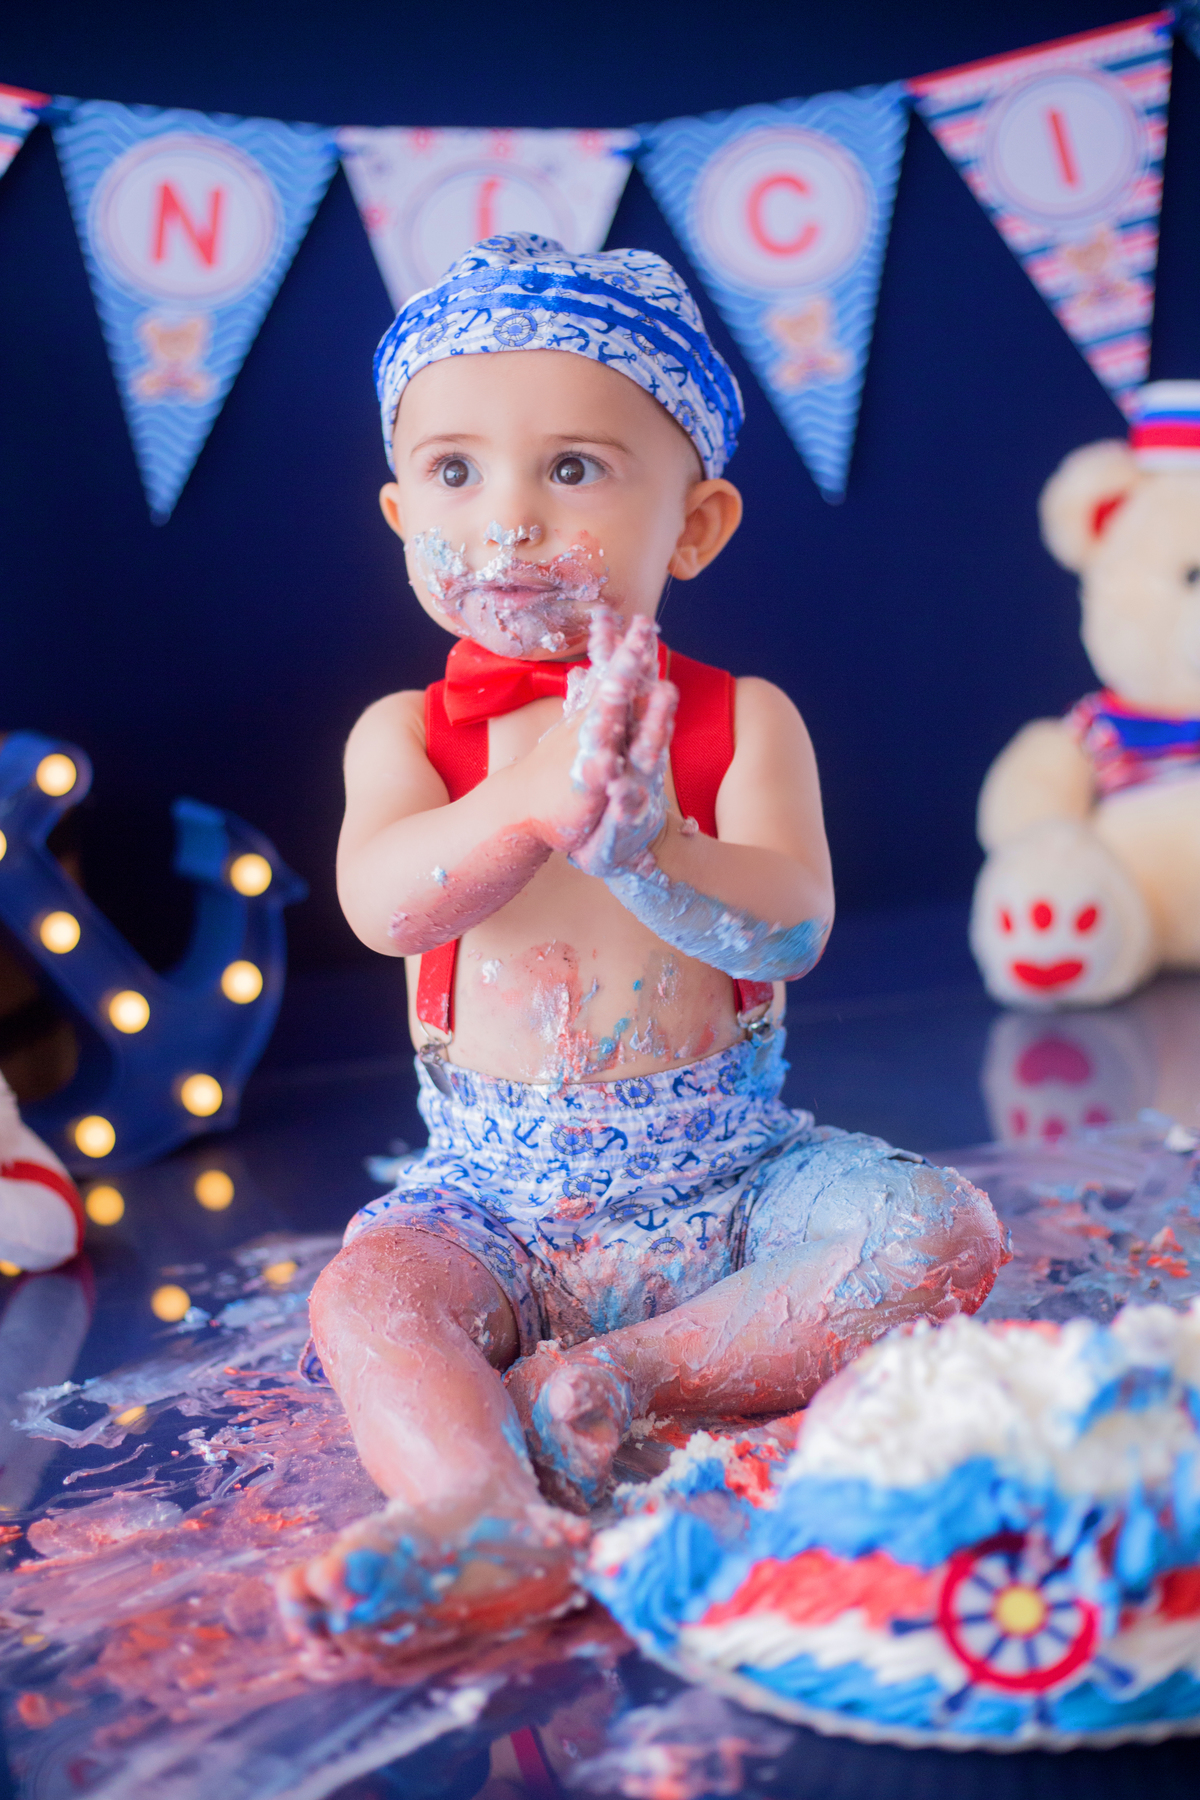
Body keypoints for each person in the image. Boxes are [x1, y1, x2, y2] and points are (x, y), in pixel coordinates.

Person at [277, 235, 1006, 1651]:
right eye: (454, 472)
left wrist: (648, 851)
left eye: (573, 468)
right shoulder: (407, 737)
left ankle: (618, 1378)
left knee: (938, 1234)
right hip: (493, 1205)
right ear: (398, 511)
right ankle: (480, 1509)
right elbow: (385, 905)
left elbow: (790, 923)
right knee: (369, 1302)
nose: (508, 521)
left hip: (735, 1181)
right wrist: (523, 806)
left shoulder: (744, 721)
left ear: (695, 526)